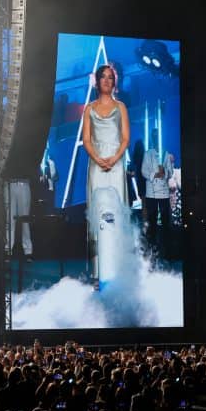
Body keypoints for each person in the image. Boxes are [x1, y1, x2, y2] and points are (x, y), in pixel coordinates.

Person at [82, 64, 130, 285]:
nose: (107, 81)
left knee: (116, 214)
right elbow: (86, 140)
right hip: (96, 164)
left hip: (116, 164)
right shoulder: (89, 109)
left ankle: (119, 270)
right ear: (97, 81)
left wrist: (115, 158)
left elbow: (125, 138)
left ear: (114, 82)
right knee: (97, 215)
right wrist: (98, 158)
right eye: (103, 77)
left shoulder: (121, 107)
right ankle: (97, 272)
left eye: (110, 77)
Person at [141, 144, 174, 254]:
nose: (156, 138)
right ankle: (152, 247)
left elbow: (170, 172)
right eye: (154, 136)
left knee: (165, 221)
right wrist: (155, 174)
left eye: (157, 136)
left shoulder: (166, 153)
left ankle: (167, 249)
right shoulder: (148, 154)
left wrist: (165, 172)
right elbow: (143, 171)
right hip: (151, 193)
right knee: (152, 221)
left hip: (164, 193)